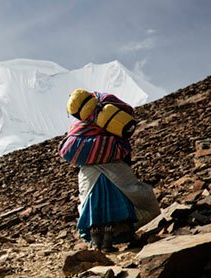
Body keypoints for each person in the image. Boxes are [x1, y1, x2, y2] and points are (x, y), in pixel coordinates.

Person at [59, 90, 160, 251]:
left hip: (89, 174)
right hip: (115, 169)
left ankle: (96, 243)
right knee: (117, 200)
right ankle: (111, 240)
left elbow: (69, 150)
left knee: (93, 205)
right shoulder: (108, 118)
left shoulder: (78, 128)